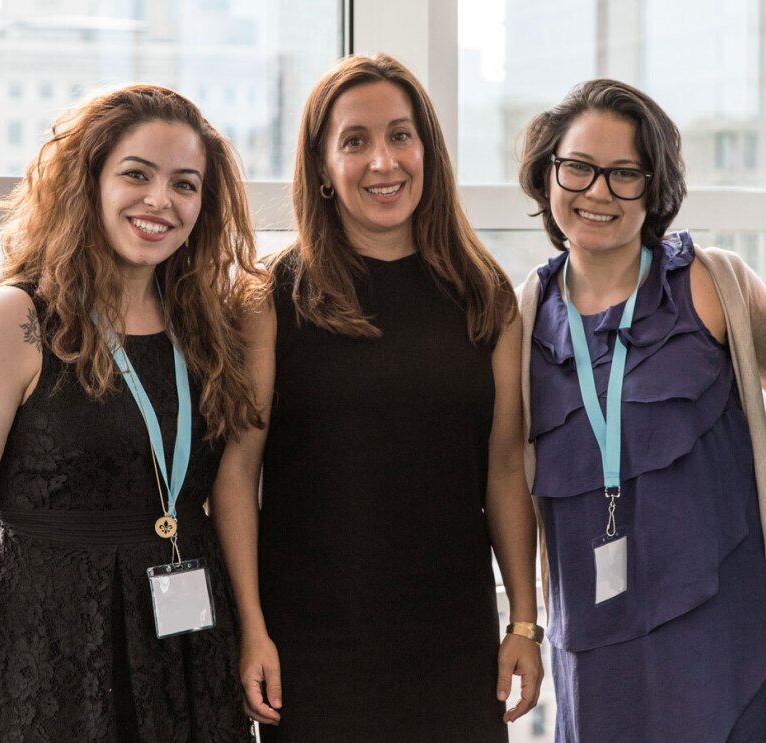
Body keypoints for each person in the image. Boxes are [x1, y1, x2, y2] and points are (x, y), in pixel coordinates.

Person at [213, 53, 542, 742]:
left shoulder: (486, 297)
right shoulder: (272, 296)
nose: (383, 161)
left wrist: (522, 622)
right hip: (313, 646)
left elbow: (506, 469)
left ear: (428, 149)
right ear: (323, 168)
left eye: (400, 135)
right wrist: (252, 629)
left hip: (454, 641)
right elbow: (238, 474)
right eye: (354, 141)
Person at [0, 84, 260, 742]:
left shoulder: (205, 325)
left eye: (185, 184)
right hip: (56, 650)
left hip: (189, 649)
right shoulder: (15, 319)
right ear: (89, 180)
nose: (161, 200)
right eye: (137, 174)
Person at [515, 78, 766, 742]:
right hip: (595, 645)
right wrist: (524, 624)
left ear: (656, 188)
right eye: (579, 169)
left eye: (626, 175)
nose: (598, 192)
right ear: (547, 172)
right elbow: (505, 474)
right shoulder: (521, 314)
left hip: (729, 635)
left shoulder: (710, 282)